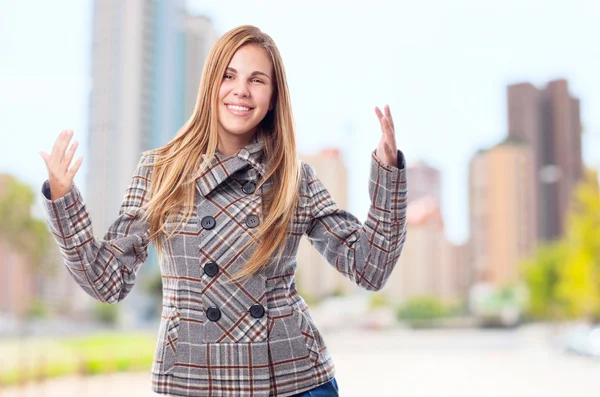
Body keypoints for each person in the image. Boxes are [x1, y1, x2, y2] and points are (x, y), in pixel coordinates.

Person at [39, 25, 407, 397]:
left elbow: (370, 268)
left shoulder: (293, 177)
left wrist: (388, 172)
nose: (241, 90)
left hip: (292, 380)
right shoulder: (159, 171)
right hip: (193, 380)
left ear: (273, 97)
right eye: (228, 75)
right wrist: (63, 198)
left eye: (257, 80)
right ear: (210, 84)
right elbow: (107, 281)